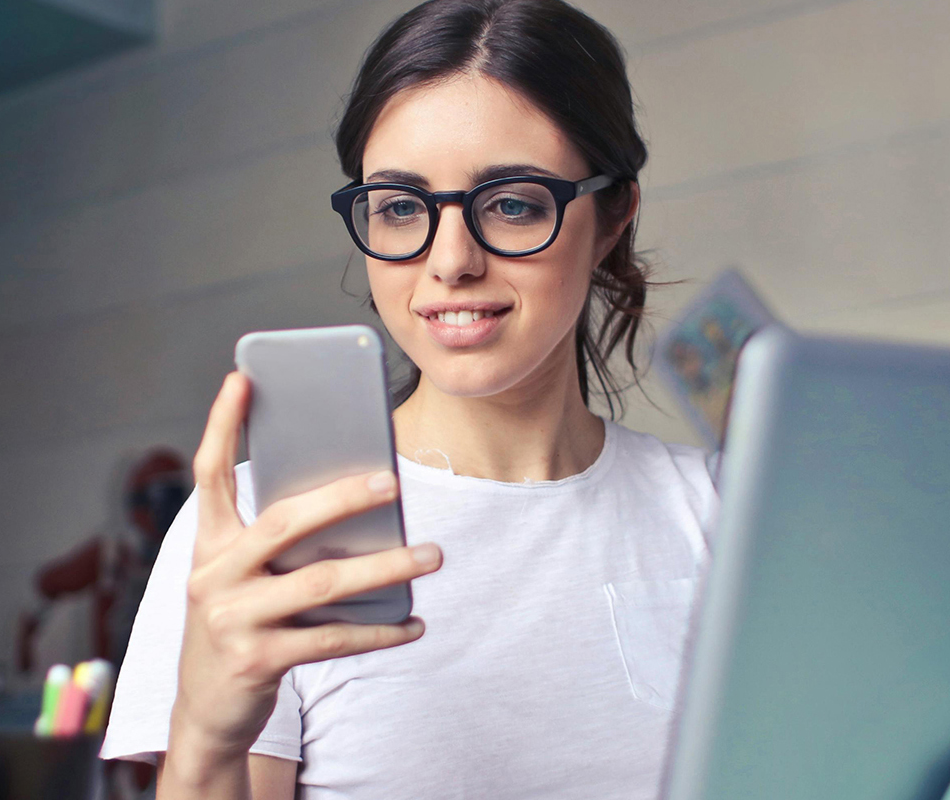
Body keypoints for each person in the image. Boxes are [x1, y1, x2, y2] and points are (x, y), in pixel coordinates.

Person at [102, 2, 718, 797]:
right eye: (400, 208)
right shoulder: (264, 529)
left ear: (611, 216)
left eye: (513, 203)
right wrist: (205, 739)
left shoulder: (721, 513)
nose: (450, 260)